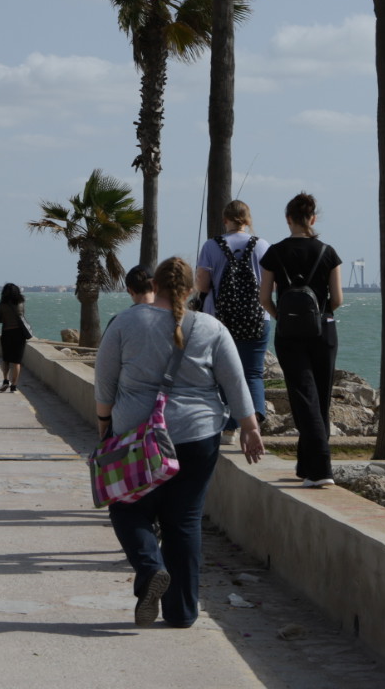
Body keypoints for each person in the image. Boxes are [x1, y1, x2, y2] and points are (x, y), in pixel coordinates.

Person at [95, 256, 264, 628]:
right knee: (184, 521)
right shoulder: (210, 327)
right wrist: (250, 427)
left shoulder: (125, 322)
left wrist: (105, 423)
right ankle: (182, 612)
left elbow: (105, 383)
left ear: (154, 285)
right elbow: (235, 382)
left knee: (127, 508)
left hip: (135, 436)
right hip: (197, 436)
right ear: (190, 290)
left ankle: (150, 567)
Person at [259, 192, 343, 488]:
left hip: (289, 334)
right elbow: (337, 299)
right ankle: (311, 466)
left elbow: (264, 298)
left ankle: (317, 468)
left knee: (303, 396)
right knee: (320, 397)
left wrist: (281, 317)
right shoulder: (328, 252)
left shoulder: (275, 253)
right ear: (313, 219)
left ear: (288, 219)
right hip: (324, 330)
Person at [195, 199, 270, 427]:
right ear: (248, 220)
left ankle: (229, 428)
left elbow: (203, 285)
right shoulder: (262, 246)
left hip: (219, 320)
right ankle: (254, 424)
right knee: (253, 374)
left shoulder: (211, 246)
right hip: (257, 318)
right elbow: (271, 285)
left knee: (223, 373)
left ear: (225, 219)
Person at [0, 282, 28, 393]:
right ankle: (14, 385)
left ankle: (5, 380)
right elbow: (22, 315)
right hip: (19, 334)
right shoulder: (21, 303)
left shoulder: (1, 305)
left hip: (7, 333)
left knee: (6, 360)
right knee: (17, 361)